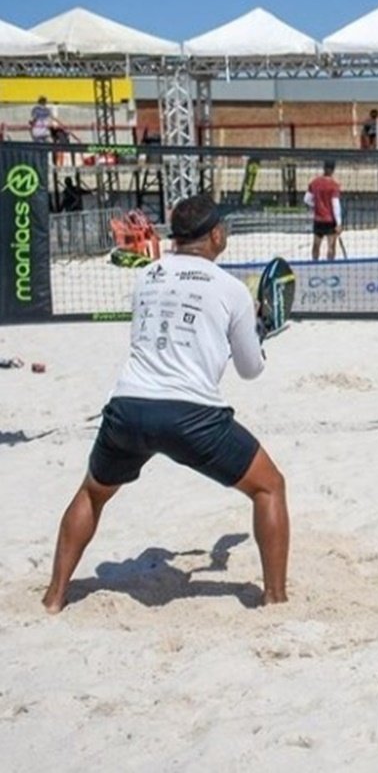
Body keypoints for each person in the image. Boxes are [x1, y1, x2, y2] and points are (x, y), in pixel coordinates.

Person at [42, 194, 290, 614]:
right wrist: (260, 330)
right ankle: (276, 598)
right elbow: (251, 370)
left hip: (128, 406)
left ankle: (53, 598)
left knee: (92, 493)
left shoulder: (147, 276)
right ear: (215, 234)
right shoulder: (231, 289)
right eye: (223, 227)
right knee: (270, 487)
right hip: (191, 415)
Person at [304, 160, 342, 261]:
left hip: (318, 219)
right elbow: (335, 205)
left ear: (323, 168)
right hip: (330, 220)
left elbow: (307, 199)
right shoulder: (334, 185)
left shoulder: (315, 183)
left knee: (316, 245)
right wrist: (339, 223)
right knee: (331, 247)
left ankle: (314, 262)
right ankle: (330, 264)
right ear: (333, 170)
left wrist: (316, 205)